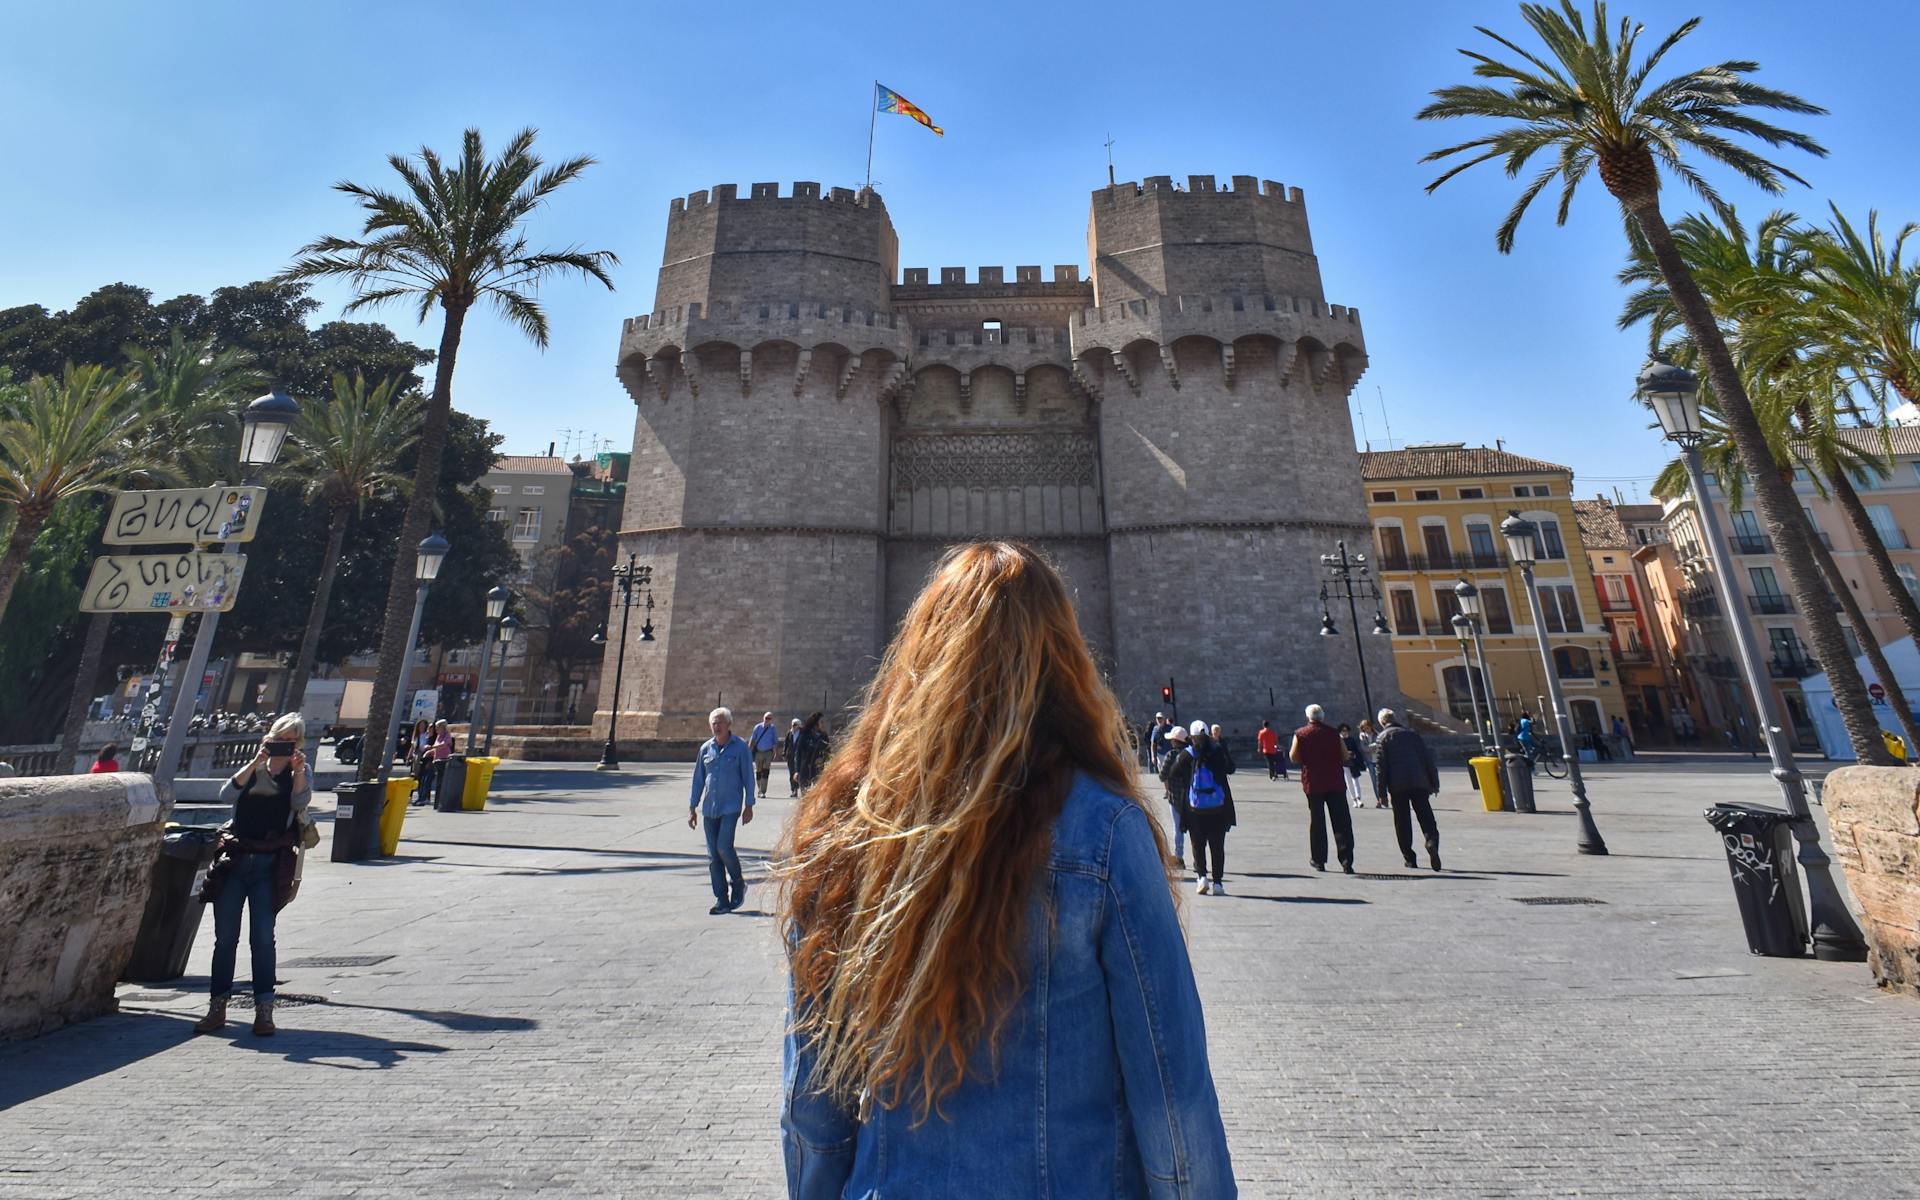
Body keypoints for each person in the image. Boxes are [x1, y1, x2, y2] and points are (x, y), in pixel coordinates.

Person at [779, 542, 1232, 1198]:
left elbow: (812, 1105)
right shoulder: (1103, 829)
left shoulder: (848, 828)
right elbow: (1171, 1090)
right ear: (1062, 659)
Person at [195, 714, 311, 1036]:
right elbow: (226, 795)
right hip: (235, 861)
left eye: (291, 740)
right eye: (280, 738)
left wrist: (298, 771)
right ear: (269, 737)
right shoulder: (255, 766)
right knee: (225, 939)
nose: (284, 744)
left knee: (262, 939)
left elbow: (301, 801)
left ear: (298, 743)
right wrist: (256, 761)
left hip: (268, 866)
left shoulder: (300, 770)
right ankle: (217, 1007)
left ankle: (264, 1011)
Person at [688, 706, 755, 915]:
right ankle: (722, 899)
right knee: (713, 856)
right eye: (713, 723)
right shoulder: (705, 749)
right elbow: (698, 779)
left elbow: (748, 777)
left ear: (729, 724)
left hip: (731, 807)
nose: (716, 727)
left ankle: (738, 883)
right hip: (710, 808)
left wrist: (749, 805)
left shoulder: (740, 747)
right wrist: (692, 807)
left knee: (723, 847)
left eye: (720, 723)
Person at [1374, 708, 1442, 872]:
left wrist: (1381, 794)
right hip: (1419, 781)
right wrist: (1434, 783)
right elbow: (1427, 759)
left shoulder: (1382, 738)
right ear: (1395, 719)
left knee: (1402, 822)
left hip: (1398, 786)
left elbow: (1381, 768)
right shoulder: (1412, 735)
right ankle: (1431, 841)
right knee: (1426, 817)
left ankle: (1410, 858)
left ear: (1382, 722)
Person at [1174, 720, 1238, 895]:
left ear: (1192, 736)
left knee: (1198, 843)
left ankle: (1202, 877)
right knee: (1217, 845)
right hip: (1218, 806)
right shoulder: (1217, 751)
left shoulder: (1188, 754)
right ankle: (1217, 883)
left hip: (1194, 808)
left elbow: (1173, 773)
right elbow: (1231, 768)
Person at [1291, 704, 1355, 873]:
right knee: (1342, 822)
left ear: (1308, 717)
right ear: (1323, 717)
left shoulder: (1300, 733)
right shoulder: (1334, 733)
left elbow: (1294, 757)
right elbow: (1345, 754)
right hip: (1335, 781)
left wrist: (1309, 758)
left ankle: (1319, 860)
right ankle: (1346, 861)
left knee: (1317, 822)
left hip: (1314, 782)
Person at [1157, 723, 1191, 862]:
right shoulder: (1191, 753)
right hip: (1191, 796)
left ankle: (1179, 856)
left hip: (1175, 795)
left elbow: (1162, 776)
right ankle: (1198, 859)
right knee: (1194, 829)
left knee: (1177, 828)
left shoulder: (1171, 755)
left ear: (1175, 741)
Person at [792, 711, 829, 795]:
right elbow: (798, 753)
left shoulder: (824, 736)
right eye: (822, 722)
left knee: (818, 795)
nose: (824, 724)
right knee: (805, 796)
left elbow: (828, 752)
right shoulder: (804, 735)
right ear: (816, 724)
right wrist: (797, 771)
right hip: (804, 769)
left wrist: (822, 758)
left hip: (818, 770)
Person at [748, 711, 781, 800]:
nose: (767, 720)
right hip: (758, 752)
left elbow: (775, 741)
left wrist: (776, 752)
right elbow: (753, 739)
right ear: (763, 718)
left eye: (769, 719)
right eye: (766, 718)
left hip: (768, 752)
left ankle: (763, 791)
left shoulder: (773, 729)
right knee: (758, 772)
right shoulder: (758, 727)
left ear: (771, 720)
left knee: (765, 771)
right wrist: (748, 750)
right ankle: (759, 790)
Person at [1358, 718, 1387, 808]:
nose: (1367, 729)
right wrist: (1374, 745)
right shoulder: (1362, 736)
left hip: (1378, 759)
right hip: (1370, 761)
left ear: (1371, 727)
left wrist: (1371, 747)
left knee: (1382, 779)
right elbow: (1364, 748)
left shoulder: (1377, 734)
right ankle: (1379, 800)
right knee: (1374, 781)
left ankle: (1384, 798)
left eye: (1368, 727)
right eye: (1364, 728)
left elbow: (1380, 745)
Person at [1338, 723, 1367, 808]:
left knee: (1356, 781)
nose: (1345, 732)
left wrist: (1354, 755)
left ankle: (1359, 799)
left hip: (1353, 762)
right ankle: (1354, 799)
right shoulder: (1338, 740)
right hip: (1344, 763)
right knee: (1349, 782)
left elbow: (1357, 750)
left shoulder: (1351, 740)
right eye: (1343, 730)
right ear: (1340, 731)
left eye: (1346, 730)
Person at [783, 717, 803, 797]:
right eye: (793, 725)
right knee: (791, 773)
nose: (793, 726)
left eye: (795, 725)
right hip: (790, 756)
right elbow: (786, 744)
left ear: (799, 725)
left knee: (798, 773)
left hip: (799, 756)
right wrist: (784, 753)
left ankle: (800, 788)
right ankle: (794, 790)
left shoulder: (802, 733)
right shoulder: (789, 733)